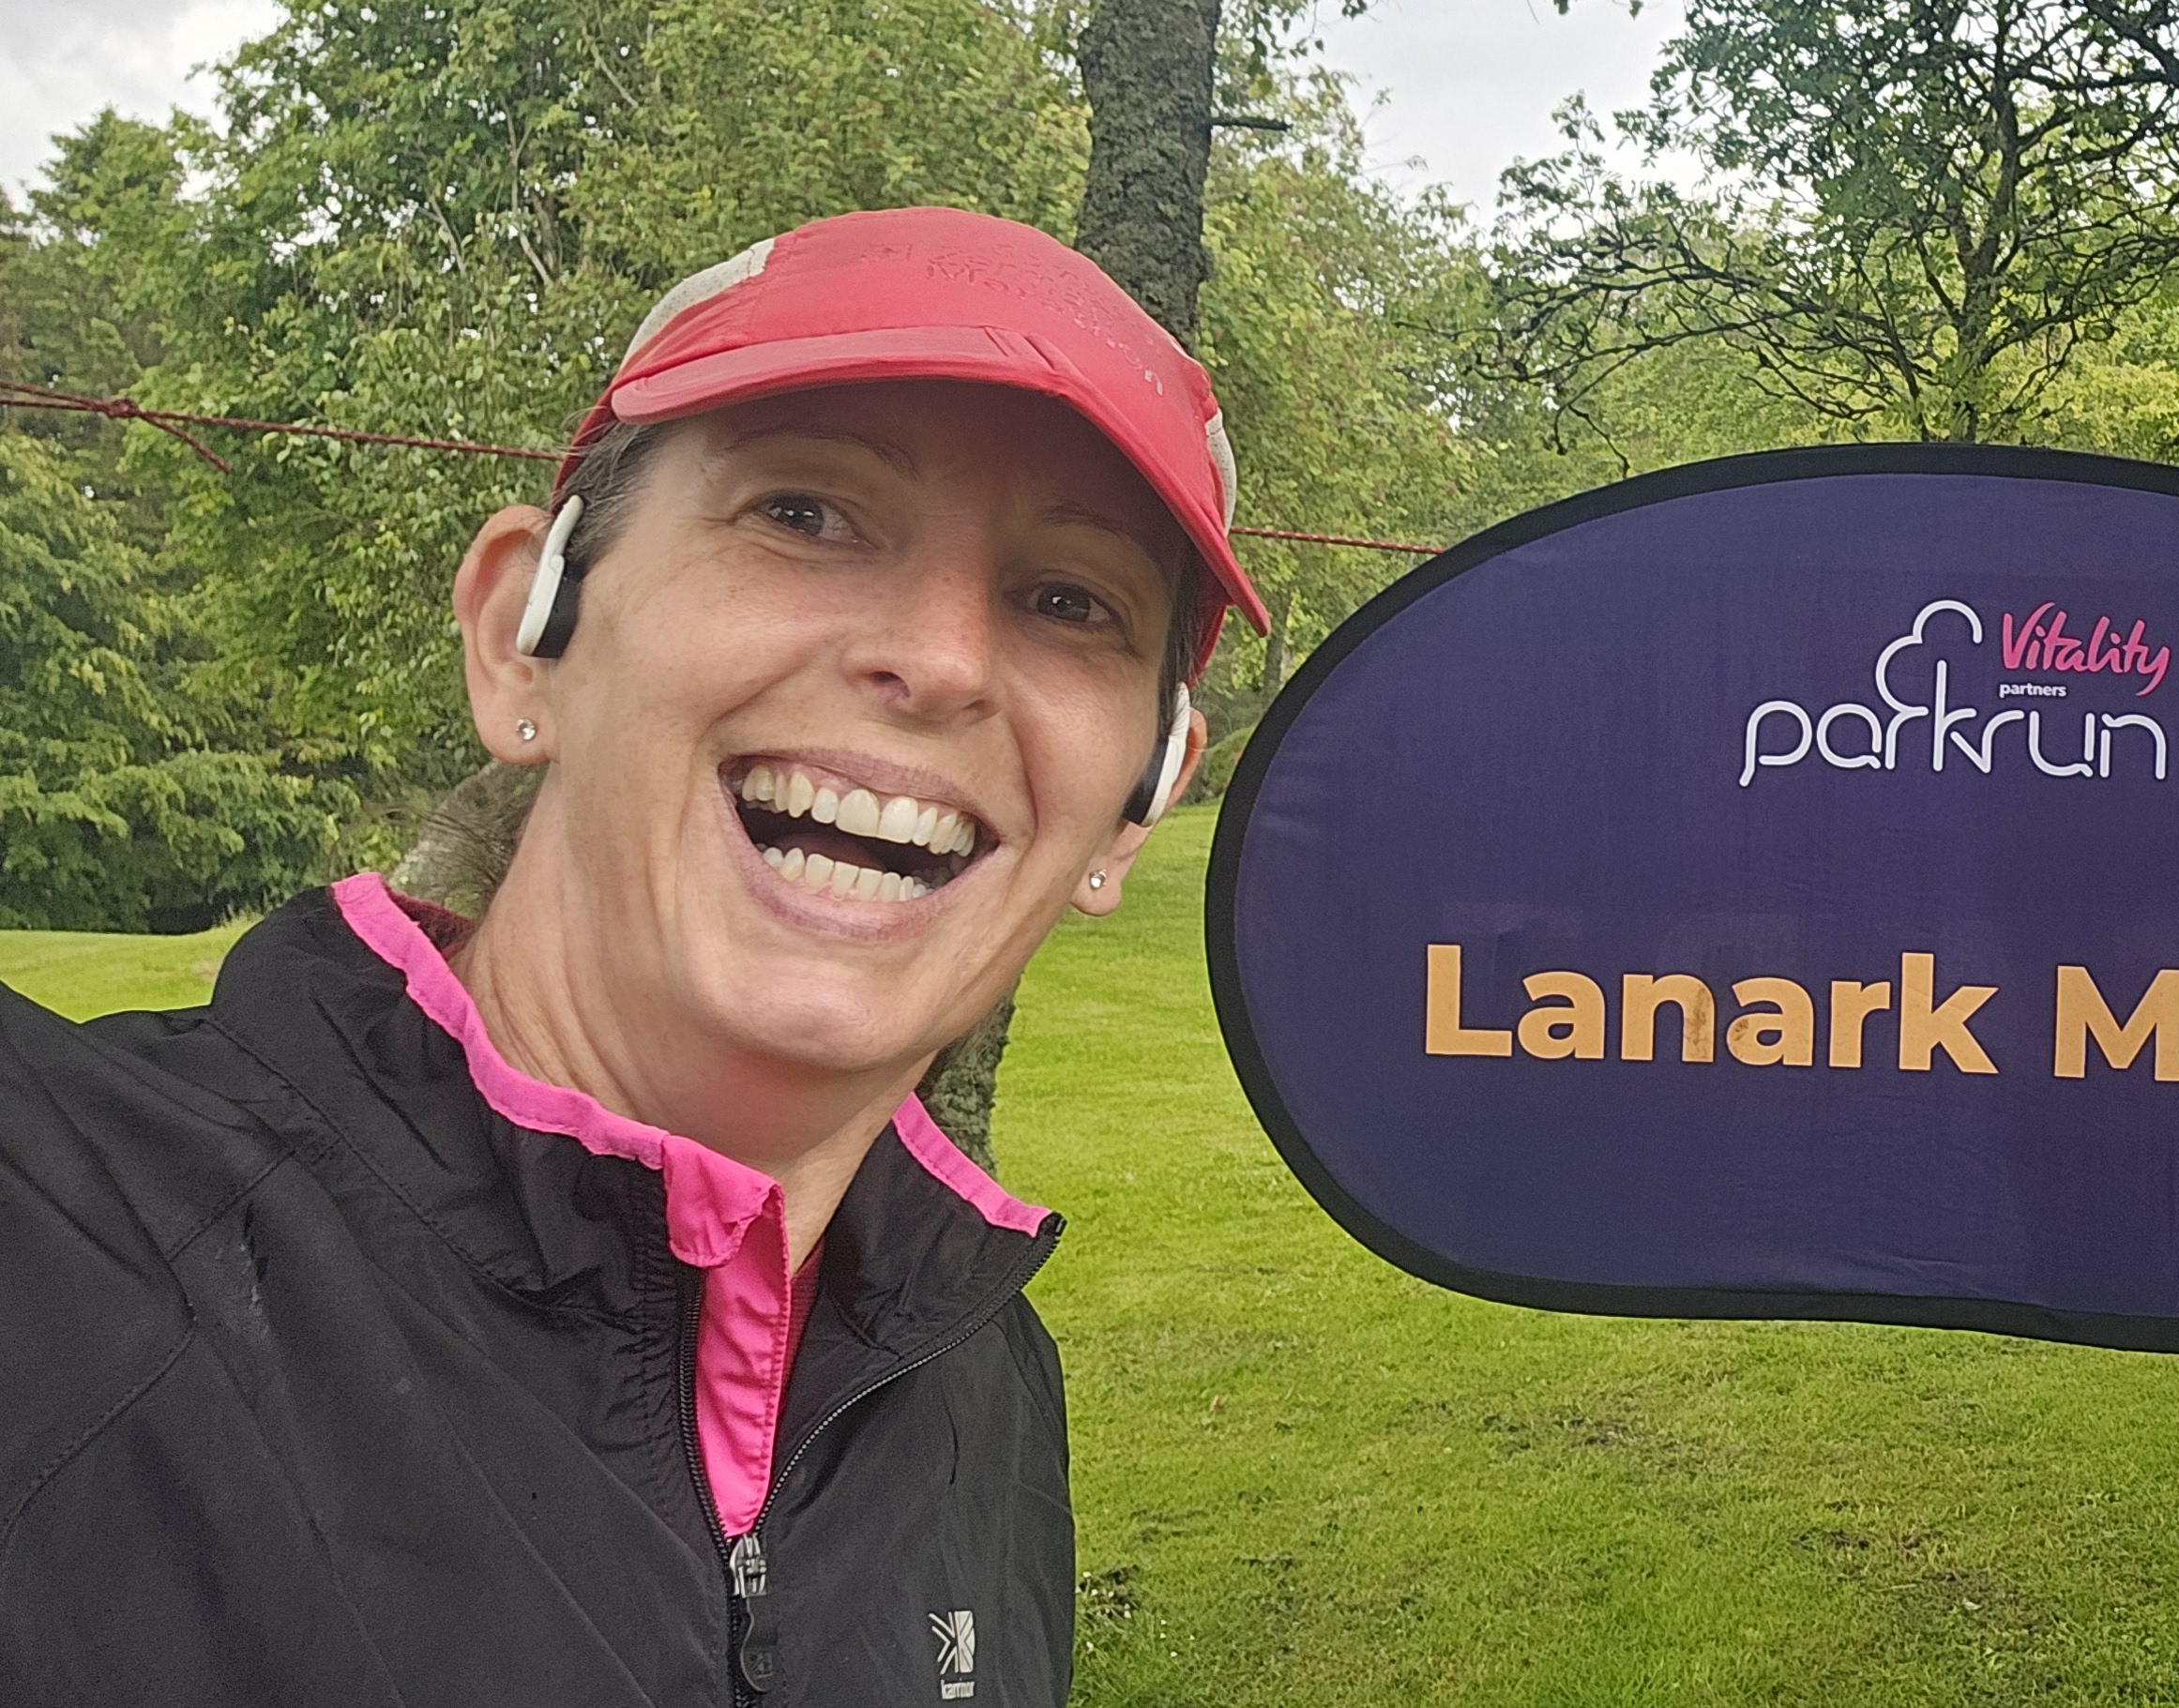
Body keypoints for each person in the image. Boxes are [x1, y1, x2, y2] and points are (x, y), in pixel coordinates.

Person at [0, 207, 1266, 1704]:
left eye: (1072, 602)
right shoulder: (54, 1236)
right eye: (805, 513)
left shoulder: (977, 1390)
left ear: (1136, 807)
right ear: (523, 637)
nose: (938, 661)